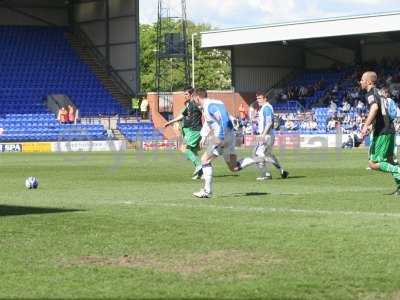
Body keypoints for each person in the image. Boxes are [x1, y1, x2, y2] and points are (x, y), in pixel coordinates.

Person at [191, 88, 264, 198]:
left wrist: (219, 138)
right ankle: (257, 159)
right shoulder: (211, 105)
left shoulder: (211, 105)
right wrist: (204, 135)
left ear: (197, 97)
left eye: (193, 98)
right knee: (234, 167)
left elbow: (224, 120)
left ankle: (207, 191)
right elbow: (210, 121)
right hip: (228, 136)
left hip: (221, 137)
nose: (193, 101)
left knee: (204, 160)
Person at [360, 71, 400, 195]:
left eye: (362, 80)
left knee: (373, 164)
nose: (360, 82)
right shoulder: (380, 93)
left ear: (368, 81)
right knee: (389, 160)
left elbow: (374, 108)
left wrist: (366, 125)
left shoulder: (371, 93)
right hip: (389, 130)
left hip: (382, 132)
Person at [164, 87, 203, 179]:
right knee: (191, 151)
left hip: (195, 130)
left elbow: (204, 110)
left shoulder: (196, 103)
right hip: (192, 130)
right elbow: (182, 115)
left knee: (184, 148)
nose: (184, 96)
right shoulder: (189, 104)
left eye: (186, 94)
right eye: (184, 94)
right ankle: (200, 172)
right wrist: (170, 122)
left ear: (191, 94)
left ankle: (199, 165)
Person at [250, 91, 289, 181]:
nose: (258, 100)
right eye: (257, 98)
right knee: (269, 155)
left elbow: (270, 122)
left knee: (257, 154)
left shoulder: (266, 107)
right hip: (269, 135)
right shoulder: (265, 107)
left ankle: (266, 174)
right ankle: (282, 171)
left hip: (266, 135)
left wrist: (263, 135)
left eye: (260, 98)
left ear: (265, 98)